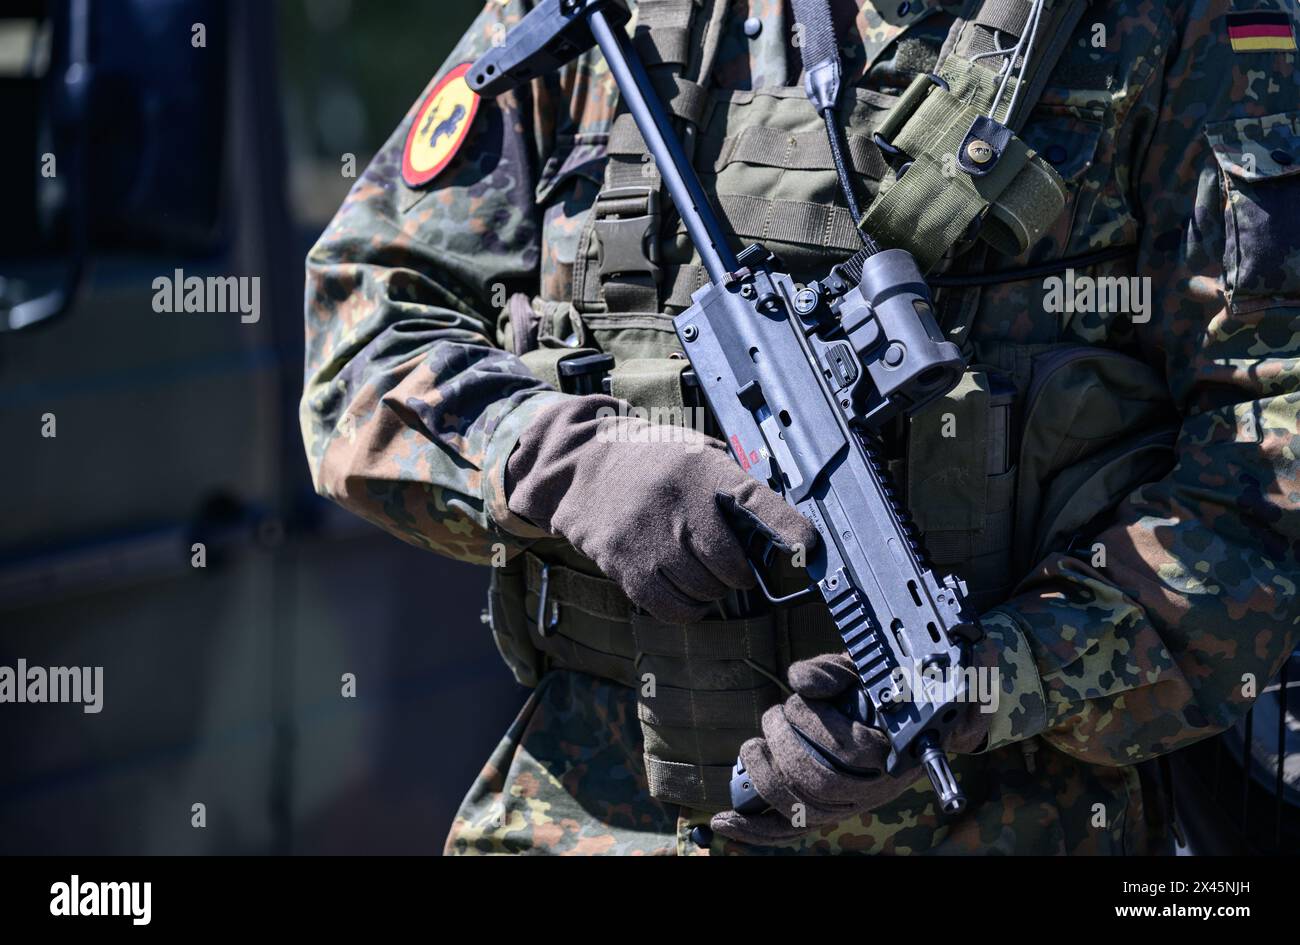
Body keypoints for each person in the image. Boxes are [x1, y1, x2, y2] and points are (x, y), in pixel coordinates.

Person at [301, 0, 1300, 855]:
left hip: (1012, 816)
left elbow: (1268, 471)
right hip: (600, 809)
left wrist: (990, 679)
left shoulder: (1175, 27)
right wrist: (565, 461)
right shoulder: (608, 21)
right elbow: (364, 327)